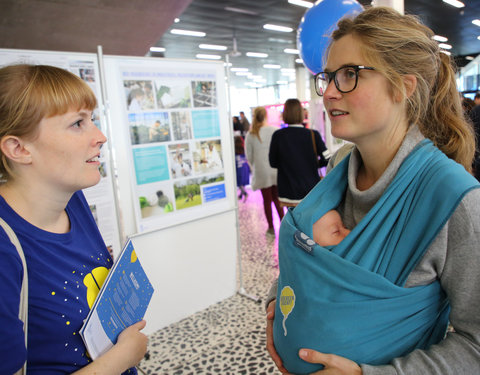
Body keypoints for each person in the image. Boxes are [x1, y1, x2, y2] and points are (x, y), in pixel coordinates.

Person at [266, 6, 480, 375]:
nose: (329, 92)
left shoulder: (454, 199)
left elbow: (476, 345)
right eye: (328, 76)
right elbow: (309, 262)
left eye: (350, 74)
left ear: (403, 86)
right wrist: (279, 305)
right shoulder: (339, 169)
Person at [0, 64, 148, 374]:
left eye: (91, 119)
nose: (100, 136)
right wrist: (121, 358)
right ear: (18, 147)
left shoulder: (74, 200)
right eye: (77, 123)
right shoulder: (5, 248)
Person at [269, 98, 329, 206]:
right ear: (301, 113)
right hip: (311, 189)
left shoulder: (278, 136)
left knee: (292, 220)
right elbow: (328, 158)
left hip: (288, 191)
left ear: (285, 114)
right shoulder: (313, 134)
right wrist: (314, 164)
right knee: (310, 221)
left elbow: (272, 162)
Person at [245, 106, 284, 235]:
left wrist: (255, 165)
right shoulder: (275, 130)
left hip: (261, 170)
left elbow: (249, 156)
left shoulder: (251, 135)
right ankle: (284, 225)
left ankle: (271, 228)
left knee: (267, 200)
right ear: (266, 116)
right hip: (275, 169)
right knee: (278, 199)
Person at [234, 135, 250, 201]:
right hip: (245, 167)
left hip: (239, 168)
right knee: (242, 183)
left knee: (239, 182)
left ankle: (245, 194)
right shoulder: (244, 148)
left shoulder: (234, 149)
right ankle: (240, 195)